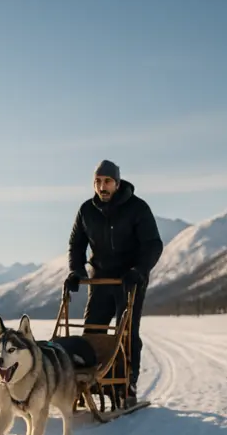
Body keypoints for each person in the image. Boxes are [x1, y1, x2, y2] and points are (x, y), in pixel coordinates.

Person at [63, 160, 162, 406]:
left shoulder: (137, 208)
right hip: (100, 278)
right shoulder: (86, 210)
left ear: (117, 183)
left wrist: (139, 270)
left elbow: (153, 244)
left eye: (107, 181)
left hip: (129, 281)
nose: (102, 187)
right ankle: (90, 380)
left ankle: (128, 383)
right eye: (97, 182)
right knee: (92, 332)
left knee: (126, 334)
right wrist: (76, 271)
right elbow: (76, 245)